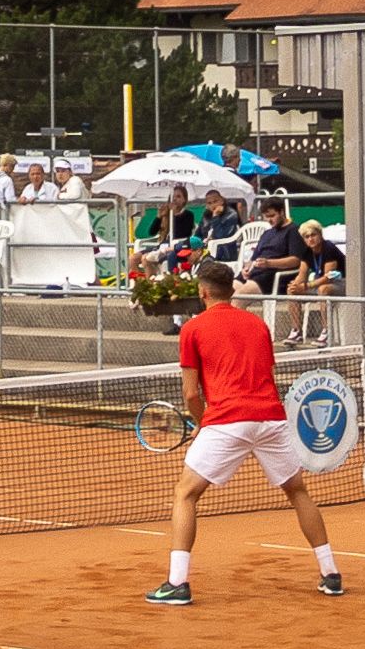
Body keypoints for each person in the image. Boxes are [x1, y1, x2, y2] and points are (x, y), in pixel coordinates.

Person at [141, 259, 342, 607]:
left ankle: (177, 583)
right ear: (232, 290)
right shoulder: (258, 325)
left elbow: (191, 394)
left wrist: (205, 421)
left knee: (186, 494)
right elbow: (262, 373)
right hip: (269, 417)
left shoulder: (192, 329)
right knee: (297, 491)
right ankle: (331, 574)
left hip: (227, 419)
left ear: (202, 292)